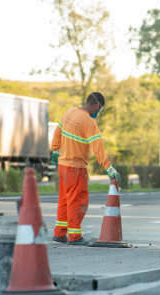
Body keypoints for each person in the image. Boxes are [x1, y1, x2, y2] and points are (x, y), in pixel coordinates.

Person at [51, 92, 120, 245]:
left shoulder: (69, 113)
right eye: (100, 110)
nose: (98, 112)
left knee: (64, 200)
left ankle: (59, 233)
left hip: (63, 166)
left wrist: (55, 151)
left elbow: (57, 132)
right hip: (76, 169)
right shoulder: (89, 122)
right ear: (97, 106)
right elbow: (97, 147)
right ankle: (74, 236)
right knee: (78, 201)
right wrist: (108, 167)